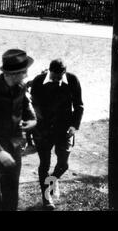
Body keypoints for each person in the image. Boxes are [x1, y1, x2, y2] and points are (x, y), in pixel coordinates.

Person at [0, 49, 36, 211]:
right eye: (24, 72)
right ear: (14, 74)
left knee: (11, 193)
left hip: (14, 146)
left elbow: (26, 107)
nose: (26, 74)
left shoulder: (20, 86)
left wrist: (32, 120)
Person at [30, 59, 83, 210]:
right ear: (49, 71)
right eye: (54, 76)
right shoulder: (38, 81)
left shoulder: (72, 80)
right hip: (43, 130)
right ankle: (47, 198)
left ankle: (52, 181)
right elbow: (32, 104)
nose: (56, 79)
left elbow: (79, 105)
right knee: (44, 164)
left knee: (64, 164)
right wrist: (36, 122)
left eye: (60, 76)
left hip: (64, 129)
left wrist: (74, 126)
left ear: (64, 72)